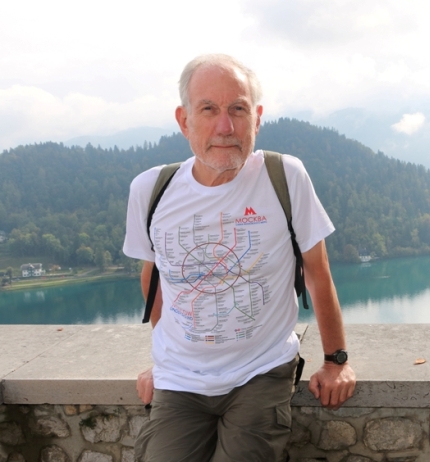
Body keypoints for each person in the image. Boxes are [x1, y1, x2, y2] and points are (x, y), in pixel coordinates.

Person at [123, 53, 356, 462]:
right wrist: (162, 355)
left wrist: (336, 360)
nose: (225, 127)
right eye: (208, 109)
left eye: (238, 109)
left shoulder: (284, 177)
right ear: (184, 120)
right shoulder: (151, 190)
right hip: (179, 382)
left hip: (260, 374)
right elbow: (154, 278)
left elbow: (317, 272)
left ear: (257, 118)